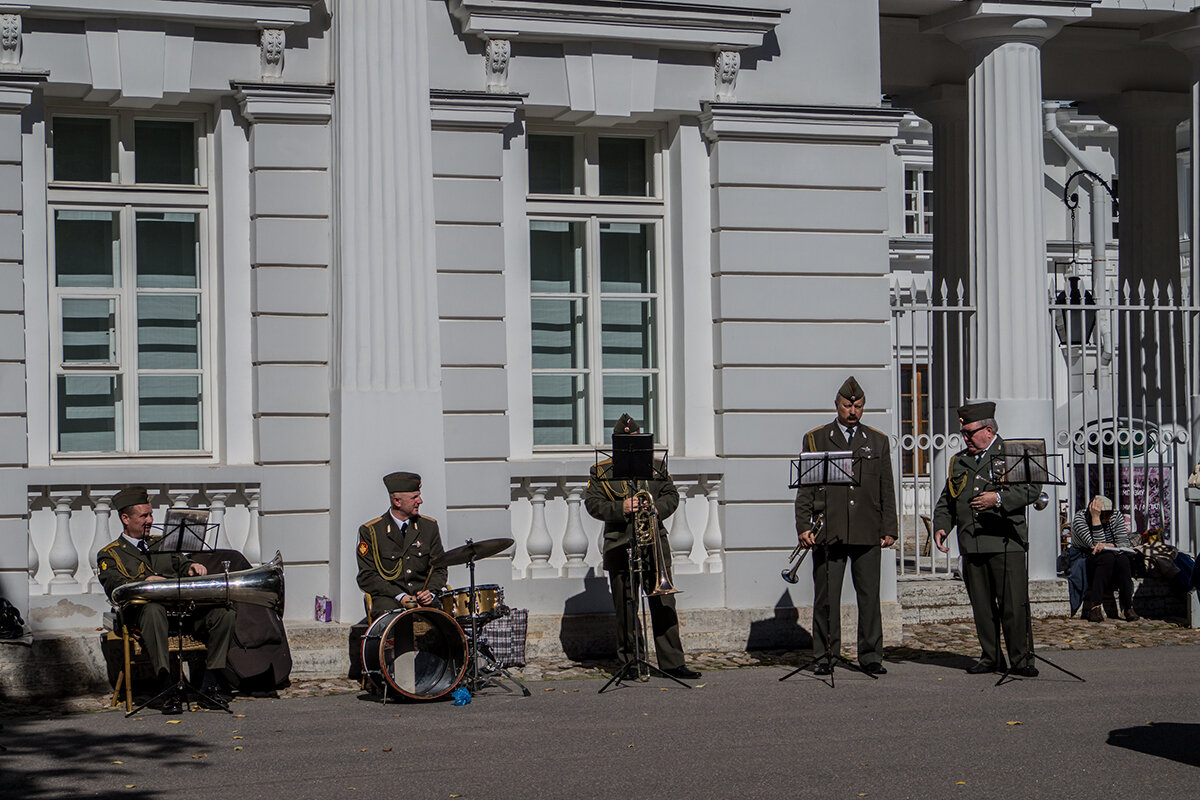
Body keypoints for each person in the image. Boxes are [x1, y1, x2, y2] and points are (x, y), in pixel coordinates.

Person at [96, 487, 236, 714]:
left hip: (182, 614)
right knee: (153, 611)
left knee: (224, 614)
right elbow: (114, 587)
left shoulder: (162, 542)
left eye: (151, 515)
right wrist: (145, 580)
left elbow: (180, 564)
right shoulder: (110, 554)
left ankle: (210, 686)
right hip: (144, 620)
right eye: (143, 516)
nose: (150, 520)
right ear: (125, 518)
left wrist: (191, 566)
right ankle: (167, 686)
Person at [584, 414, 700, 680]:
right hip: (620, 544)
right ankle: (630, 663)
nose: (631, 447)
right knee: (626, 606)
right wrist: (621, 507)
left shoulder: (657, 468)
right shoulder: (601, 472)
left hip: (654, 543)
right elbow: (593, 504)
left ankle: (672, 663)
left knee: (664, 602)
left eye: (635, 441)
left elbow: (671, 495)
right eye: (625, 442)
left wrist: (655, 508)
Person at [794, 376, 897, 676]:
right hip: (830, 529)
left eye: (859, 406)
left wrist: (888, 527)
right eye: (847, 405)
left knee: (869, 596)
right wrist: (803, 525)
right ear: (836, 405)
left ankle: (871, 655)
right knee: (827, 597)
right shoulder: (816, 438)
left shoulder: (877, 440)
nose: (853, 411)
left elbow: (886, 487)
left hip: (867, 527)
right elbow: (806, 487)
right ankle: (826, 654)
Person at [933, 403, 1042, 677]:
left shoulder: (1013, 454)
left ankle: (1022, 659)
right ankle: (991, 656)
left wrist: (999, 498)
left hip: (1005, 541)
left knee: (1013, 605)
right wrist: (942, 525)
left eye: (970, 432)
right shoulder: (959, 461)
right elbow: (947, 499)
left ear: (989, 429)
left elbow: (1032, 490)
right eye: (963, 433)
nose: (966, 438)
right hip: (972, 542)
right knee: (982, 606)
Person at [356, 471, 447, 621]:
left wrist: (430, 592)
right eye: (414, 497)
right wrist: (401, 596)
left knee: (446, 619)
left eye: (419, 495)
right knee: (394, 617)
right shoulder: (371, 531)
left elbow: (439, 567)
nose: (420, 501)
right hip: (389, 598)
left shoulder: (429, 527)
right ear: (397, 501)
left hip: (423, 598)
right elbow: (367, 576)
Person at [1071, 496, 1138, 622]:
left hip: (1112, 559)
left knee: (1122, 560)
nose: (1107, 519)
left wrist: (1108, 545)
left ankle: (1128, 606)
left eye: (1109, 515)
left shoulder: (1115, 516)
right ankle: (1095, 606)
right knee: (1106, 558)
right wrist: (1096, 519)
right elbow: (1096, 546)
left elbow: (1124, 543)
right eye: (1104, 516)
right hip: (1086, 558)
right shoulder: (1080, 519)